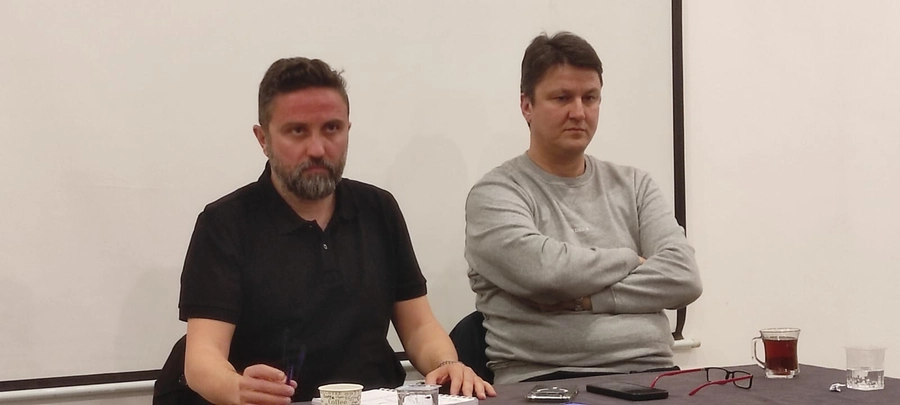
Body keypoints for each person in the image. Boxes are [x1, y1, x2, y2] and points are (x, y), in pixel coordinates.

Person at [179, 57, 495, 404]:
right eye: (297, 131)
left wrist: (447, 364)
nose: (317, 149)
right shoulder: (225, 223)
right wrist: (236, 387)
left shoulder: (378, 209)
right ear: (263, 138)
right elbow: (203, 358)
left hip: (376, 397)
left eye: (331, 128)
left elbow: (419, 326)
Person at [464, 32, 703, 384]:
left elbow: (683, 277)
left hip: (654, 377)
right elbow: (545, 272)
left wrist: (588, 300)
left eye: (590, 98)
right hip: (546, 380)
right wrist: (629, 259)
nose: (578, 112)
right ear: (526, 105)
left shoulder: (635, 185)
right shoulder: (496, 193)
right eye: (562, 98)